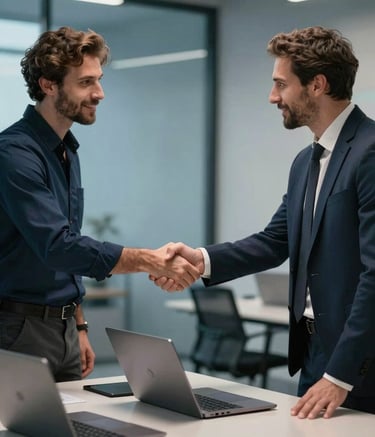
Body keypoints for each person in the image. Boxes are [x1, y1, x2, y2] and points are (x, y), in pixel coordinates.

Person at [153, 26, 375, 417]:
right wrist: (199, 259)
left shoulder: (370, 153)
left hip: (358, 363)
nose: (273, 97)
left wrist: (340, 375)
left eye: (281, 85)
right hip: (313, 353)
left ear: (317, 84)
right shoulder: (306, 162)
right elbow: (275, 241)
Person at [0, 26, 199, 382]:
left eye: (99, 80)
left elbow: (70, 241)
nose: (100, 93)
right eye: (86, 83)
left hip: (62, 330)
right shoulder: (13, 154)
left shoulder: (65, 150)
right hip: (19, 330)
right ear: (48, 85)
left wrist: (78, 326)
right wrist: (147, 260)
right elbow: (57, 246)